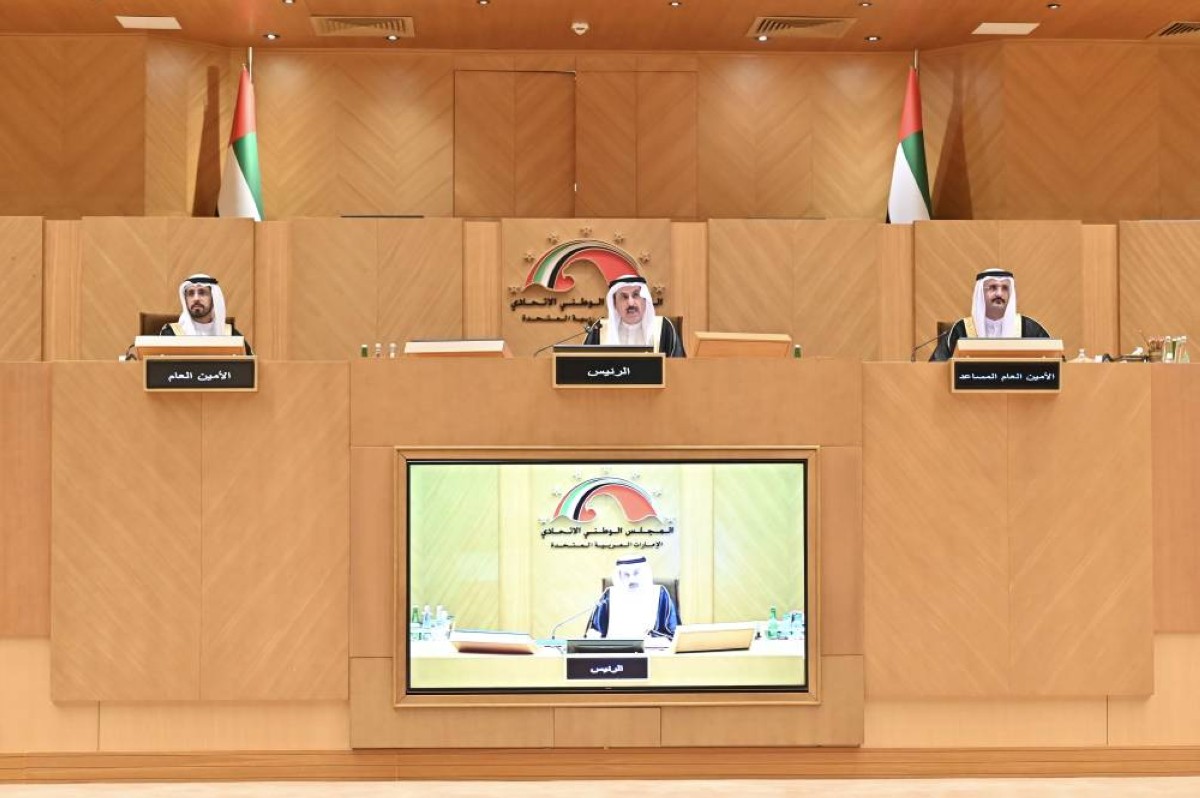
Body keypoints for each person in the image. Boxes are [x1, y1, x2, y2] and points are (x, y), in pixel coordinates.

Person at [930, 268, 1050, 361]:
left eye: (1005, 288)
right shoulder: (961, 329)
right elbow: (936, 367)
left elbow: (1055, 364)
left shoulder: (1029, 328)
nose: (999, 294)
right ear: (980, 293)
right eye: (993, 287)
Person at [583, 275, 685, 357]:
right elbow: (583, 367)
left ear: (645, 300)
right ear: (614, 303)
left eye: (636, 295)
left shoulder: (663, 328)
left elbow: (678, 368)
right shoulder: (599, 330)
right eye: (624, 297)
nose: (631, 303)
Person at [585, 555, 679, 640]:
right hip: (614, 651)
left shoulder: (660, 593)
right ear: (619, 576)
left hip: (652, 650)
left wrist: (652, 636)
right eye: (626, 575)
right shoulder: (609, 595)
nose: (632, 580)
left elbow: (673, 633)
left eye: (636, 573)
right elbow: (595, 631)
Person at [160, 273, 253, 355]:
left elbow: (250, 365)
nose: (196, 298)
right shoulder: (172, 334)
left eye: (202, 293)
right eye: (191, 294)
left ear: (213, 298)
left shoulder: (230, 335)